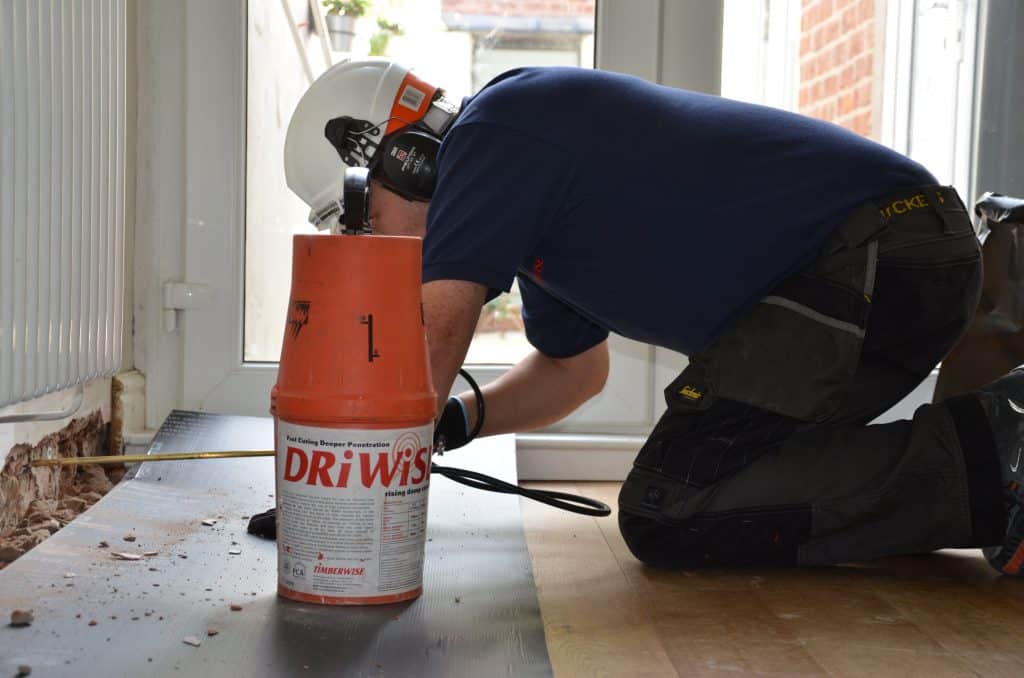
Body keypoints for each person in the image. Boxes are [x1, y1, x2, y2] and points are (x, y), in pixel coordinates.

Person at [284, 58, 1024, 574]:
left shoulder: (491, 134)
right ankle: (993, 474)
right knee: (714, 491)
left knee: (672, 504)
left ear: (403, 157)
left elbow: (428, 348)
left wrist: (336, 500)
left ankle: (1003, 450)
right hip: (887, 265)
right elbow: (574, 372)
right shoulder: (524, 193)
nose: (371, 244)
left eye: (362, 219)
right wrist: (456, 423)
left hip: (880, 251)